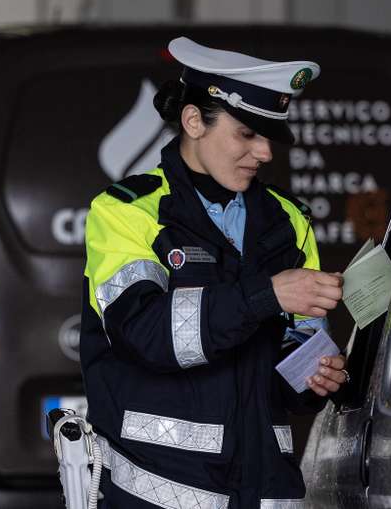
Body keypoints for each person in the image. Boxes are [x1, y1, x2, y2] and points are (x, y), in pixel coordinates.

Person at [80, 37, 348, 507]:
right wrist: (264, 296)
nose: (264, 152)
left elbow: (297, 347)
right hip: (158, 491)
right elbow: (144, 333)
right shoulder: (127, 212)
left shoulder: (289, 220)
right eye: (247, 134)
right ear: (192, 121)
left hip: (266, 490)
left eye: (271, 138)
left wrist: (315, 379)